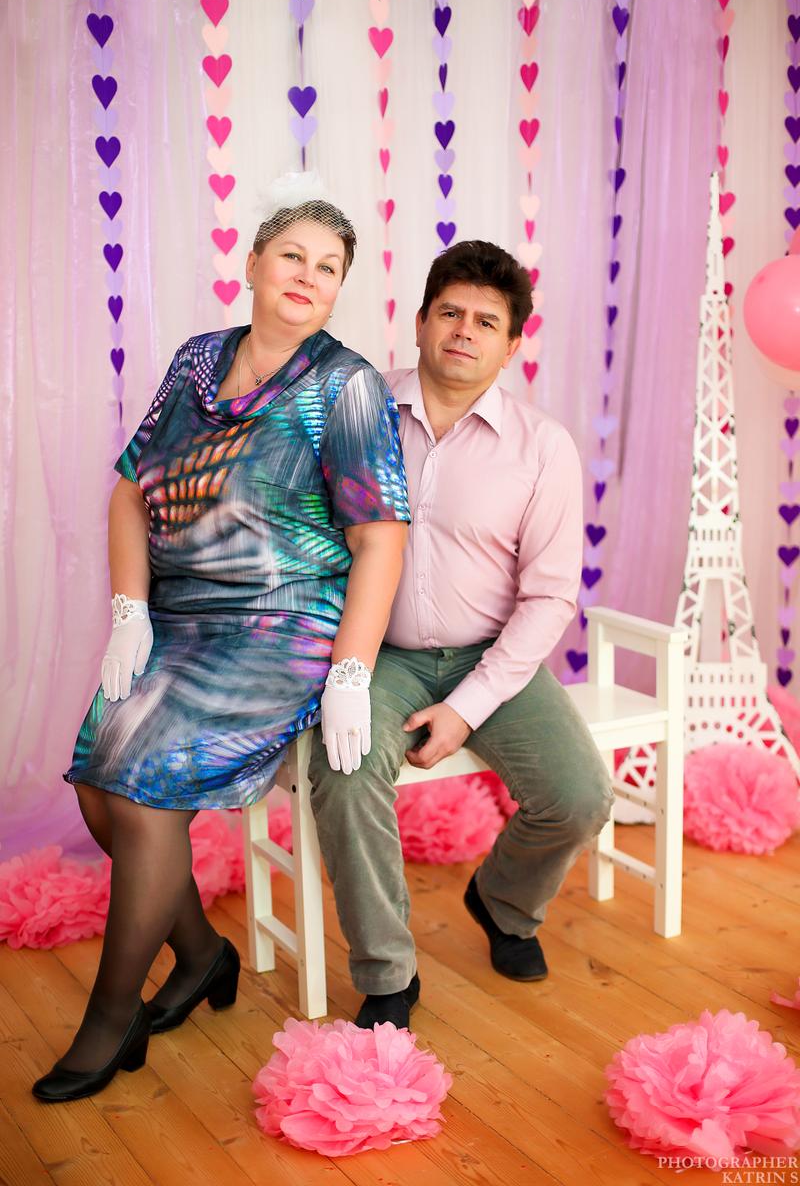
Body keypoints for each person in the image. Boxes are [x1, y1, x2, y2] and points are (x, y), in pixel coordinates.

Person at [33, 175, 410, 1102]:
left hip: (282, 627)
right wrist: (130, 610)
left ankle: (111, 1017)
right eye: (293, 255)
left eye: (329, 267)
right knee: (96, 781)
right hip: (179, 617)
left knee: (143, 790)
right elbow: (131, 491)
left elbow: (380, 539)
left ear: (339, 288)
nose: (308, 275)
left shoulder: (346, 386)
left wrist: (351, 673)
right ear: (253, 263)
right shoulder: (199, 360)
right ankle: (201, 952)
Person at [309, 239, 615, 1030]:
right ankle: (388, 973)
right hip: (378, 653)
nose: (464, 331)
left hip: (493, 653)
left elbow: (549, 598)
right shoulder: (357, 410)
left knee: (580, 796)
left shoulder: (542, 447)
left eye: (486, 321)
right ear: (420, 321)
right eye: (450, 312)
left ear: (512, 346)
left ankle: (504, 901)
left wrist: (468, 707)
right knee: (343, 770)